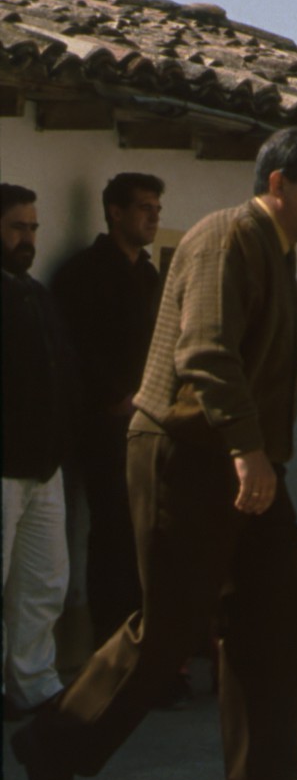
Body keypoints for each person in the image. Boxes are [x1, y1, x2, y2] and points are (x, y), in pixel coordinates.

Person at [11, 129, 297, 780]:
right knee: (168, 626)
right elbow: (206, 353)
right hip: (185, 453)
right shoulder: (227, 237)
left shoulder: (275, 251)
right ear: (277, 185)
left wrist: (260, 457)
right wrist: (249, 454)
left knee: (271, 618)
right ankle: (53, 741)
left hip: (240, 457)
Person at [50, 172, 165, 642]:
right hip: (105, 424)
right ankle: (110, 646)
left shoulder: (149, 274)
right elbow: (73, 347)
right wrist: (113, 398)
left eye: (157, 209)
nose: (154, 218)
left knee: (149, 533)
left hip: (151, 422)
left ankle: (149, 644)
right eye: (144, 208)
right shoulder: (83, 273)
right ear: (115, 212)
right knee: (114, 532)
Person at [2, 185, 76, 721]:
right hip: (2, 468)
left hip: (44, 468)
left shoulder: (37, 294)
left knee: (44, 583)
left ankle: (35, 685)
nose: (26, 238)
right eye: (16, 227)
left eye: (32, 228)